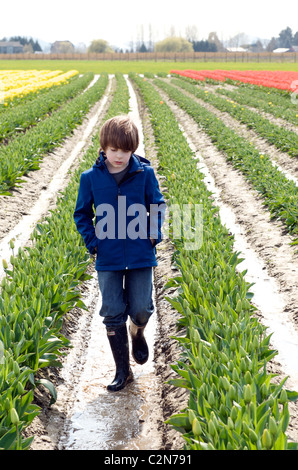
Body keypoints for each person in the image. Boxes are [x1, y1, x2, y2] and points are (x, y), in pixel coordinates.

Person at [73, 115, 165, 392]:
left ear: (133, 149)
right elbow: (81, 214)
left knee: (141, 308)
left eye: (125, 150)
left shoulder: (144, 174)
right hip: (108, 257)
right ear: (103, 147)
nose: (119, 156)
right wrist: (94, 243)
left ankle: (137, 332)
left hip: (139, 254)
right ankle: (122, 371)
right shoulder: (90, 178)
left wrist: (152, 235)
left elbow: (157, 205)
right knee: (112, 311)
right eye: (113, 150)